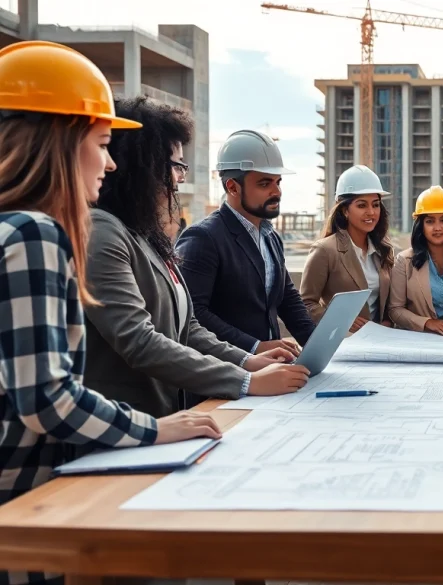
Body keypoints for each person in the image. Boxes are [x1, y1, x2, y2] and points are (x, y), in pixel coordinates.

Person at [0, 40, 219, 542]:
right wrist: (158, 429)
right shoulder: (35, 235)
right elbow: (48, 400)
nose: (112, 162)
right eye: (101, 144)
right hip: (28, 512)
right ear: (56, 141)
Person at [83, 96, 310, 419]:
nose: (180, 179)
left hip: (166, 416)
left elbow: (186, 327)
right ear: (144, 166)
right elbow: (140, 340)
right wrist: (246, 380)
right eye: (176, 166)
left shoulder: (145, 236)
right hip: (125, 422)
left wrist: (248, 361)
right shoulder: (103, 232)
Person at [175, 129, 316, 357]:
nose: (277, 191)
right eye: (264, 184)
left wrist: (318, 347)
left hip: (270, 370)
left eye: (278, 182)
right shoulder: (203, 238)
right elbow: (193, 314)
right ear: (232, 187)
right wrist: (255, 347)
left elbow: (287, 299)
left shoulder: (270, 236)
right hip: (224, 374)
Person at [300, 165, 394, 332]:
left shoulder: (383, 250)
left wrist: (387, 322)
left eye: (376, 204)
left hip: (378, 340)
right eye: (362, 205)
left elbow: (386, 302)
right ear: (344, 210)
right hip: (342, 341)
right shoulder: (325, 250)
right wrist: (342, 320)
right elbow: (306, 304)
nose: (371, 212)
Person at [389, 186, 443, 335]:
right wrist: (428, 323)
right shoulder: (403, 262)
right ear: (420, 225)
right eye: (430, 221)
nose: (438, 228)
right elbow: (395, 310)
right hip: (415, 342)